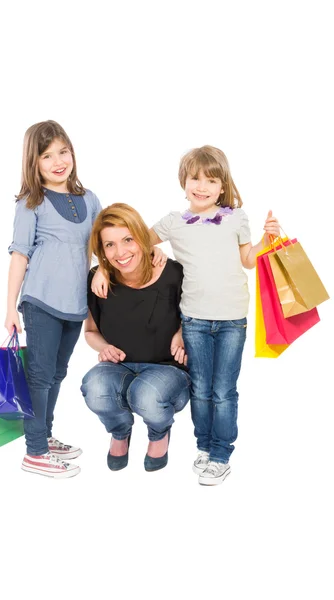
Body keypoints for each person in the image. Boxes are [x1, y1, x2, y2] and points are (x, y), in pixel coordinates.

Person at [92, 146, 280, 485]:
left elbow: (248, 260)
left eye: (211, 180)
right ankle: (205, 448)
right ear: (184, 182)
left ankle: (221, 453)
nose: (203, 186)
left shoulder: (237, 218)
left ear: (223, 185)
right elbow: (133, 242)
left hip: (231, 319)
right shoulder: (174, 223)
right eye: (195, 178)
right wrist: (103, 269)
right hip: (193, 319)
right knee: (202, 388)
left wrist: (268, 240)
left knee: (224, 389)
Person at [5, 120, 103, 479]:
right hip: (41, 300)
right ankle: (35, 451)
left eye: (63, 152)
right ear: (34, 162)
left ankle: (44, 435)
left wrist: (105, 269)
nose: (58, 161)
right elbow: (19, 255)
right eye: (47, 156)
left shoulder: (89, 199)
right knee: (40, 375)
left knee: (57, 373)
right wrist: (10, 307)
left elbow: (100, 244)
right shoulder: (32, 203)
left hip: (75, 304)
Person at [81, 203, 191, 472]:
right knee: (94, 387)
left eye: (128, 240)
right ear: (102, 250)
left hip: (168, 368)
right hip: (120, 366)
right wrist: (104, 347)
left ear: (142, 238)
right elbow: (91, 332)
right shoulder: (98, 279)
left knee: (145, 396)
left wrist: (182, 333)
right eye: (110, 245)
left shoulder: (174, 273)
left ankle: (159, 431)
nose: (120, 252)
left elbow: (197, 316)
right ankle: (120, 430)